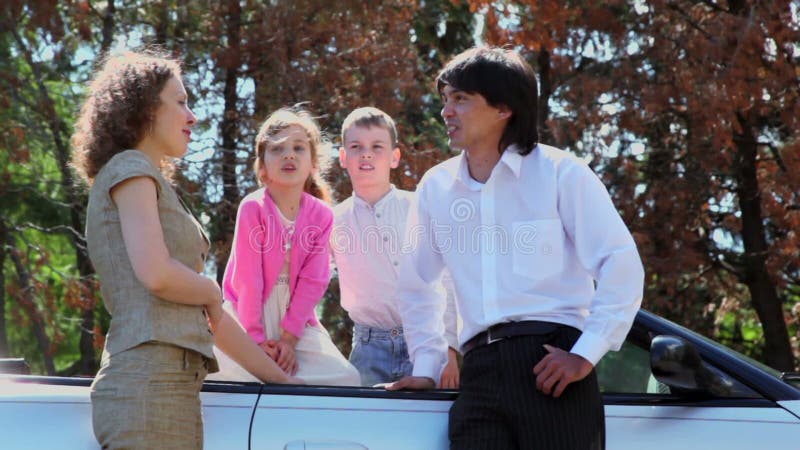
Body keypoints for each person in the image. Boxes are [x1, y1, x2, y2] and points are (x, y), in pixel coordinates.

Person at [388, 46, 645, 449]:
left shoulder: (561, 173)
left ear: (504, 108)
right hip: (478, 376)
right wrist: (426, 366)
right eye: (445, 99)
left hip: (552, 368)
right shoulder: (436, 187)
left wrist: (585, 354)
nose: (446, 112)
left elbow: (621, 263)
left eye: (461, 99)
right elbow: (417, 283)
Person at [72, 50, 299, 450]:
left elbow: (209, 317)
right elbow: (157, 274)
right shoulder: (129, 169)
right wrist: (210, 289)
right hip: (149, 389)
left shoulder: (144, 177)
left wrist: (284, 382)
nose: (192, 116)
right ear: (144, 107)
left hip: (167, 389)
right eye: (180, 102)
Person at [211, 107, 360, 386]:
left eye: (298, 148)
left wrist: (289, 340)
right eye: (277, 149)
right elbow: (248, 280)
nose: (289, 155)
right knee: (215, 375)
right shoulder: (253, 208)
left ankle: (288, 393)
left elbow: (313, 281)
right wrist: (256, 341)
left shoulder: (321, 215)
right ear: (262, 166)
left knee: (346, 379)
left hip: (296, 320)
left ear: (313, 163)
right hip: (247, 314)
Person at [331, 107, 461, 388]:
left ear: (394, 157)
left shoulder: (419, 208)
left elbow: (448, 280)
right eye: (356, 147)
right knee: (364, 416)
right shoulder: (333, 221)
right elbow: (310, 278)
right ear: (343, 157)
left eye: (377, 147)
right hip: (368, 347)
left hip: (427, 343)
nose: (366, 154)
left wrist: (450, 349)